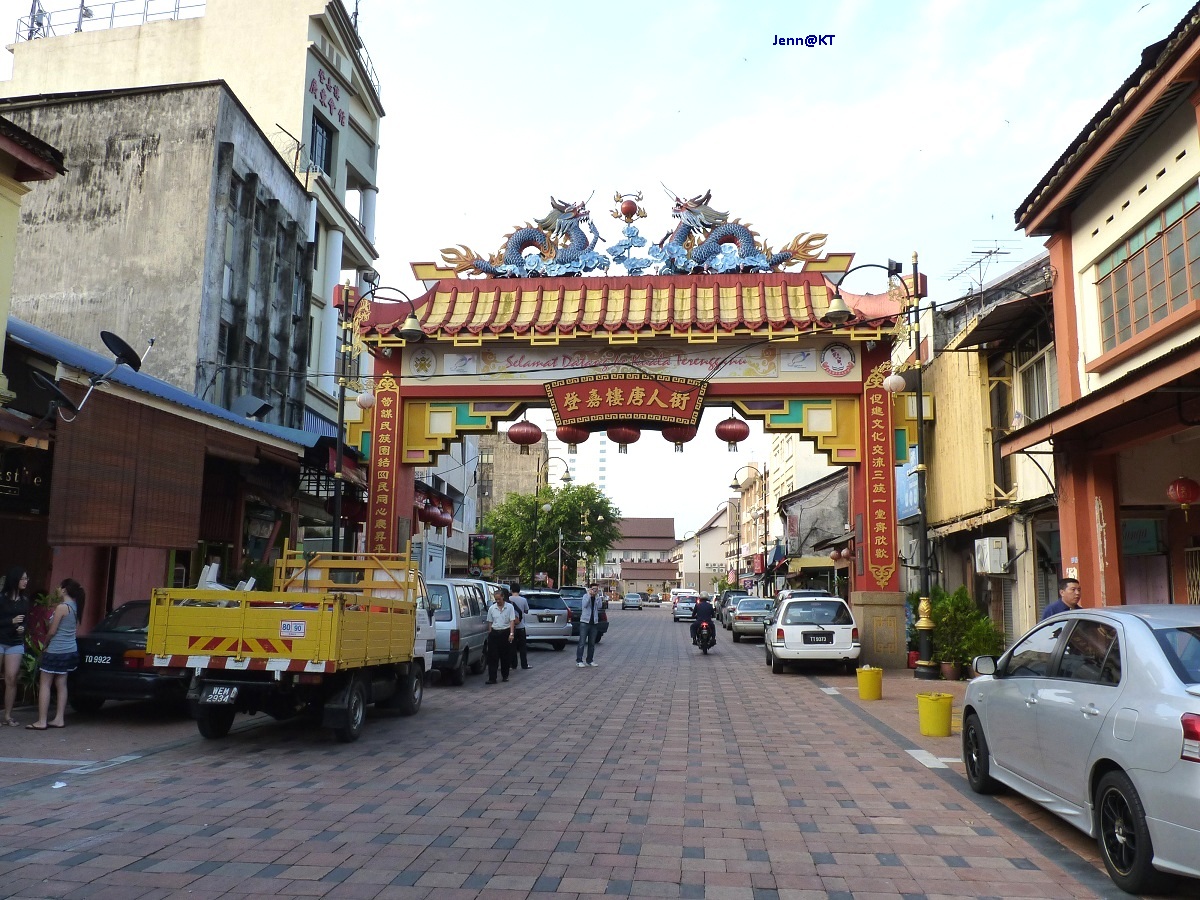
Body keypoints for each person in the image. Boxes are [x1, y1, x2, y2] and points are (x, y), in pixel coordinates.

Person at [29, 578, 84, 730]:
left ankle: (42, 720)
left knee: (45, 684)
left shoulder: (61, 607)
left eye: (59, 588)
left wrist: (45, 644)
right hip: (70, 650)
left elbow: (52, 631)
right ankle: (59, 718)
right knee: (61, 684)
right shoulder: (75, 606)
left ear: (64, 589)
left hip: (55, 650)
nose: (57, 590)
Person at [0, 567, 30, 727]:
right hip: (1, 639)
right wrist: (10, 622)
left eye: (26, 579)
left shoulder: (25, 601)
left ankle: (8, 715)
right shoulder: (2, 599)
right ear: (15, 580)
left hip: (15, 642)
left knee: (11, 678)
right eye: (23, 579)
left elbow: (25, 621)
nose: (26, 582)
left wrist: (22, 628)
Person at [483, 586, 517, 685]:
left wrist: (511, 633)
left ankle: (505, 675)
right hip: (495, 633)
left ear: (503, 597)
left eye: (499, 599)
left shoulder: (509, 607)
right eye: (496, 599)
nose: (498, 601)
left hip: (505, 632)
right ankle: (492, 678)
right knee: (493, 656)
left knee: (505, 656)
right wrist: (490, 632)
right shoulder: (492, 608)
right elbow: (490, 621)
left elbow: (512, 621)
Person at [576, 584, 602, 668]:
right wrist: (589, 595)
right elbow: (585, 605)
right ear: (590, 589)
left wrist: (597, 597)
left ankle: (590, 660)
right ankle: (579, 660)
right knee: (582, 642)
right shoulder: (585, 596)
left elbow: (600, 606)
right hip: (585, 622)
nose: (595, 591)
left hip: (593, 622)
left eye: (596, 589)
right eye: (593, 589)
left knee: (592, 643)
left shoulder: (597, 597)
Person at [508, 582, 531, 670]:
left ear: (511, 590)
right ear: (519, 590)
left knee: (512, 647)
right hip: (521, 626)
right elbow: (526, 611)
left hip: (511, 627)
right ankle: (524, 665)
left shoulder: (508, 599)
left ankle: (513, 664)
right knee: (522, 647)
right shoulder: (523, 600)